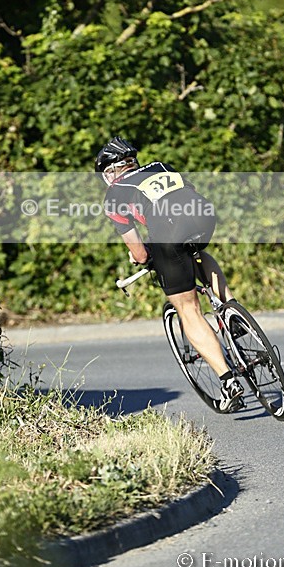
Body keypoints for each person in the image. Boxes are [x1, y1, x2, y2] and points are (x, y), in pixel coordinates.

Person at [95, 135, 245, 412]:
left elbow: (139, 253)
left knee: (188, 310)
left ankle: (228, 381)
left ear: (112, 171)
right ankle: (231, 309)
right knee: (196, 251)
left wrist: (143, 257)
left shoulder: (114, 195)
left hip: (167, 231)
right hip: (202, 214)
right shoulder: (160, 166)